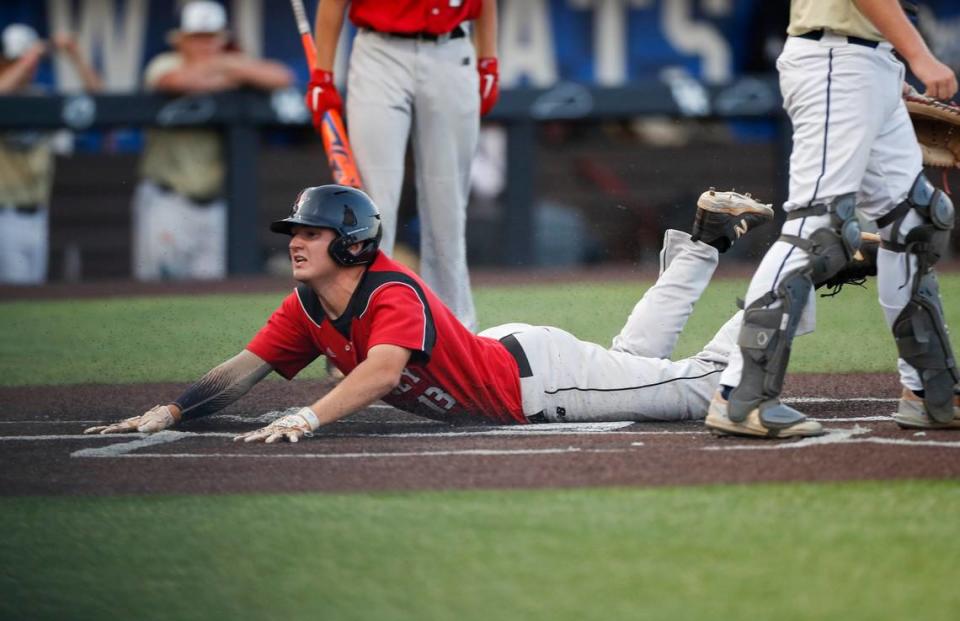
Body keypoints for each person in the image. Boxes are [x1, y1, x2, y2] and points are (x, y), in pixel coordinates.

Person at [85, 184, 872, 442]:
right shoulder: (309, 303)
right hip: (514, 356)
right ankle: (703, 243)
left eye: (313, 233)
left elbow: (385, 369)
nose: (298, 243)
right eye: (297, 232)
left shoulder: (390, 291)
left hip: (535, 385)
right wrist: (169, 409)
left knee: (704, 388)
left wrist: (310, 416)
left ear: (353, 243)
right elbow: (241, 370)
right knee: (633, 363)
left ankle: (798, 267)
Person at [703, 0, 960, 439]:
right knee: (817, 230)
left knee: (915, 222)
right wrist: (917, 54)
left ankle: (930, 391)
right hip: (835, 59)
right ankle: (740, 395)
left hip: (866, 58)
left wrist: (887, 65)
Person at [303, 0, 500, 331]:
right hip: (380, 51)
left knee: (447, 208)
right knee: (371, 207)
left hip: (451, 50)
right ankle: (361, 330)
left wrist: (488, 59)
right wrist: (323, 73)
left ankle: (455, 334)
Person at [132, 0, 293, 281]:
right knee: (155, 289)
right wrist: (227, 74)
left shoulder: (230, 67)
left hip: (214, 203)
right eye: (197, 38)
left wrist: (227, 65)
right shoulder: (166, 62)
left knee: (209, 291)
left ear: (222, 39)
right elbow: (174, 82)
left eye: (211, 38)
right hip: (167, 198)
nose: (204, 46)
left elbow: (282, 77)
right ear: (181, 40)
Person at [0, 23, 102, 284]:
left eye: (31, 62)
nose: (28, 68)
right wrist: (32, 55)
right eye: (14, 60)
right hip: (4, 215)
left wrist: (75, 55)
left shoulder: (41, 98)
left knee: (32, 298)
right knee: (15, 303)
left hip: (37, 215)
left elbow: (99, 98)